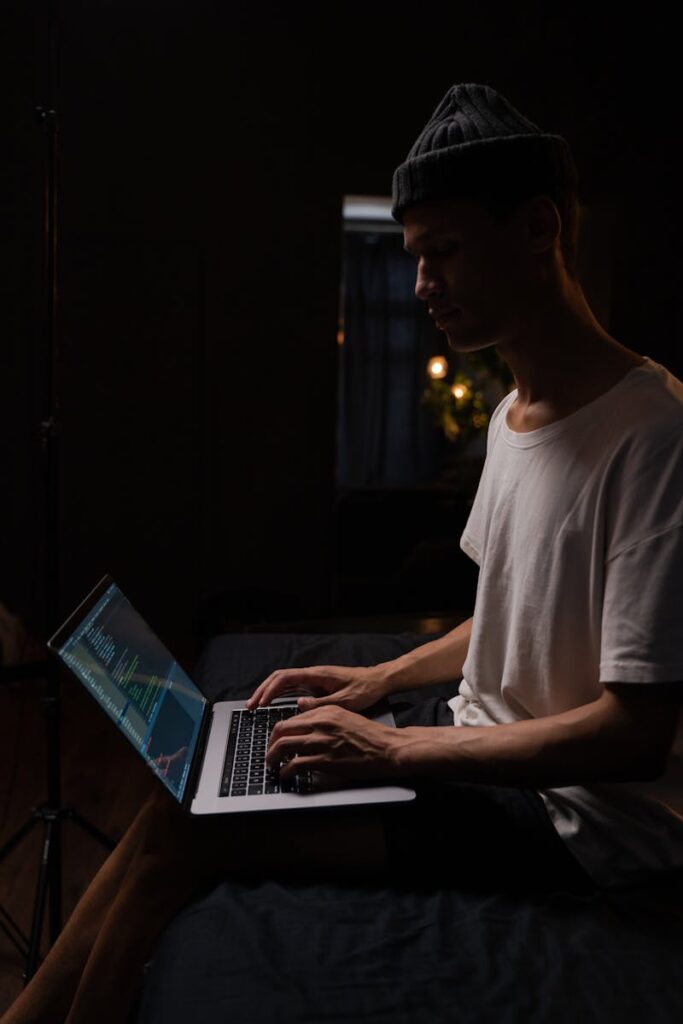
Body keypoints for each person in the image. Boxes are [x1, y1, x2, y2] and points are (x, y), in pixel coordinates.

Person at [3, 82, 682, 1024]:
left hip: (571, 825)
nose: (418, 286)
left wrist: (401, 747)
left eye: (442, 252)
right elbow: (520, 611)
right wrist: (380, 681)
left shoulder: (654, 434)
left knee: (189, 833)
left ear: (536, 229)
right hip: (471, 749)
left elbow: (633, 731)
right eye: (412, 258)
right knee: (191, 790)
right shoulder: (511, 415)